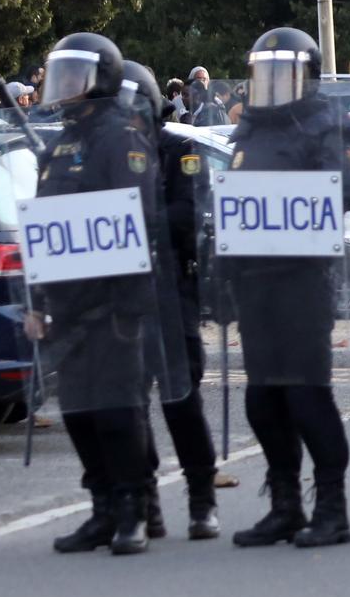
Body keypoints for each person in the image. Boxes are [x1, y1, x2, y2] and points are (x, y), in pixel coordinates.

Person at [217, 29, 350, 549]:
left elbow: (347, 191)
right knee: (264, 401)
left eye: (285, 73)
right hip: (255, 283)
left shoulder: (328, 122)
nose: (275, 83)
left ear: (308, 76)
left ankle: (332, 507)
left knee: (307, 397)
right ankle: (285, 505)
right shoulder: (248, 130)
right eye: (266, 73)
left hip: (303, 281)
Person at [32, 33, 168, 557]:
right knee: (80, 411)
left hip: (114, 302)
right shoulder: (59, 145)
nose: (63, 86)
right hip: (67, 303)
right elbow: (46, 225)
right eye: (59, 75)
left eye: (74, 75)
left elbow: (142, 218)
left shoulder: (120, 138)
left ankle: (133, 509)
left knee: (118, 411)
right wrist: (38, 303)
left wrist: (131, 302)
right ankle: (102, 508)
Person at [120, 61, 220, 540]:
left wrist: (133, 217)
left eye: (134, 109)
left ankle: (202, 500)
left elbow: (191, 212)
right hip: (123, 298)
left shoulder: (181, 150)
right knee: (129, 409)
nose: (128, 120)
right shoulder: (108, 155)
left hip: (171, 293)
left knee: (182, 402)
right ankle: (145, 503)